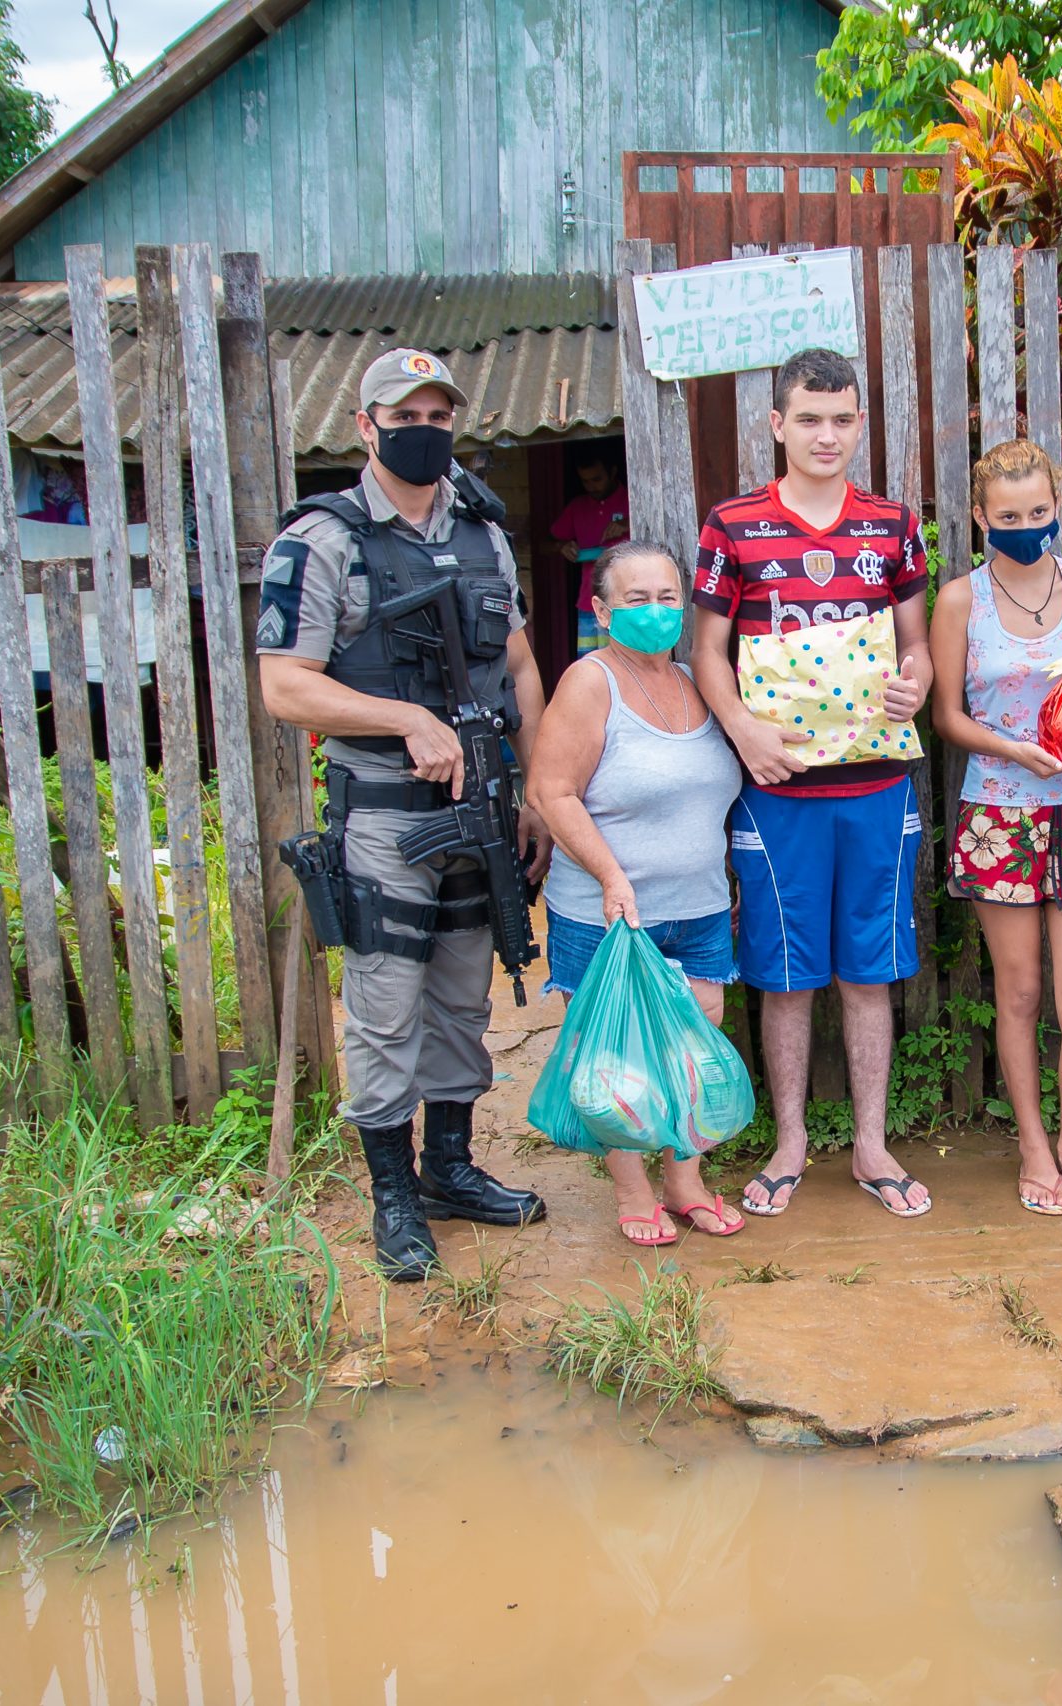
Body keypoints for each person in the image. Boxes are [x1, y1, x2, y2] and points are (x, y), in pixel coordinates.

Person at [255, 347, 554, 1282]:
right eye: (405, 414)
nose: (424, 430)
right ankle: (392, 1196)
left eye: (438, 415)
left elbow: (519, 670)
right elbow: (284, 687)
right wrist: (403, 717)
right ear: (365, 425)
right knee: (385, 1012)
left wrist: (538, 790)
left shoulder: (483, 533)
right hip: (385, 811)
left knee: (465, 998)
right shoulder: (321, 540)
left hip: (482, 806)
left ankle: (450, 1170)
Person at [690, 346, 934, 1221]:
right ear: (777, 424)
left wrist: (918, 681)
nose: (826, 435)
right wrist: (744, 729)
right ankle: (790, 1141)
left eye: (841, 420)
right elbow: (705, 652)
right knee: (785, 974)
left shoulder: (892, 524)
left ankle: (871, 1145)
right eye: (808, 419)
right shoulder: (734, 524)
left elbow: (919, 644)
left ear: (860, 423)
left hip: (875, 784)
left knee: (870, 973)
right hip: (777, 785)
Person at [524, 539, 745, 1245]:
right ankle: (632, 1192)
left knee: (692, 1048)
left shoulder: (697, 680)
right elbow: (550, 790)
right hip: (606, 911)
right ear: (601, 609)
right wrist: (613, 876)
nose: (656, 611)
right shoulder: (590, 683)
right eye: (636, 599)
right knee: (612, 1061)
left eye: (667, 597)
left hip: (699, 906)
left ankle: (686, 1183)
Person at [929, 439, 1062, 1220]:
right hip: (998, 813)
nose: (1026, 525)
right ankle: (1034, 1148)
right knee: (1018, 992)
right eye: (1008, 515)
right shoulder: (959, 602)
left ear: (1058, 509)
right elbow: (946, 716)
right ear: (981, 517)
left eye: (1039, 512)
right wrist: (1010, 747)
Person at [552, 454, 631, 655]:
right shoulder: (577, 506)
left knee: (623, 667)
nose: (591, 486)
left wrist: (627, 524)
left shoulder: (633, 499)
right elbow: (545, 543)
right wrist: (562, 545)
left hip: (627, 605)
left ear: (613, 472)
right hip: (588, 603)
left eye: (597, 479)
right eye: (585, 481)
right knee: (590, 665)